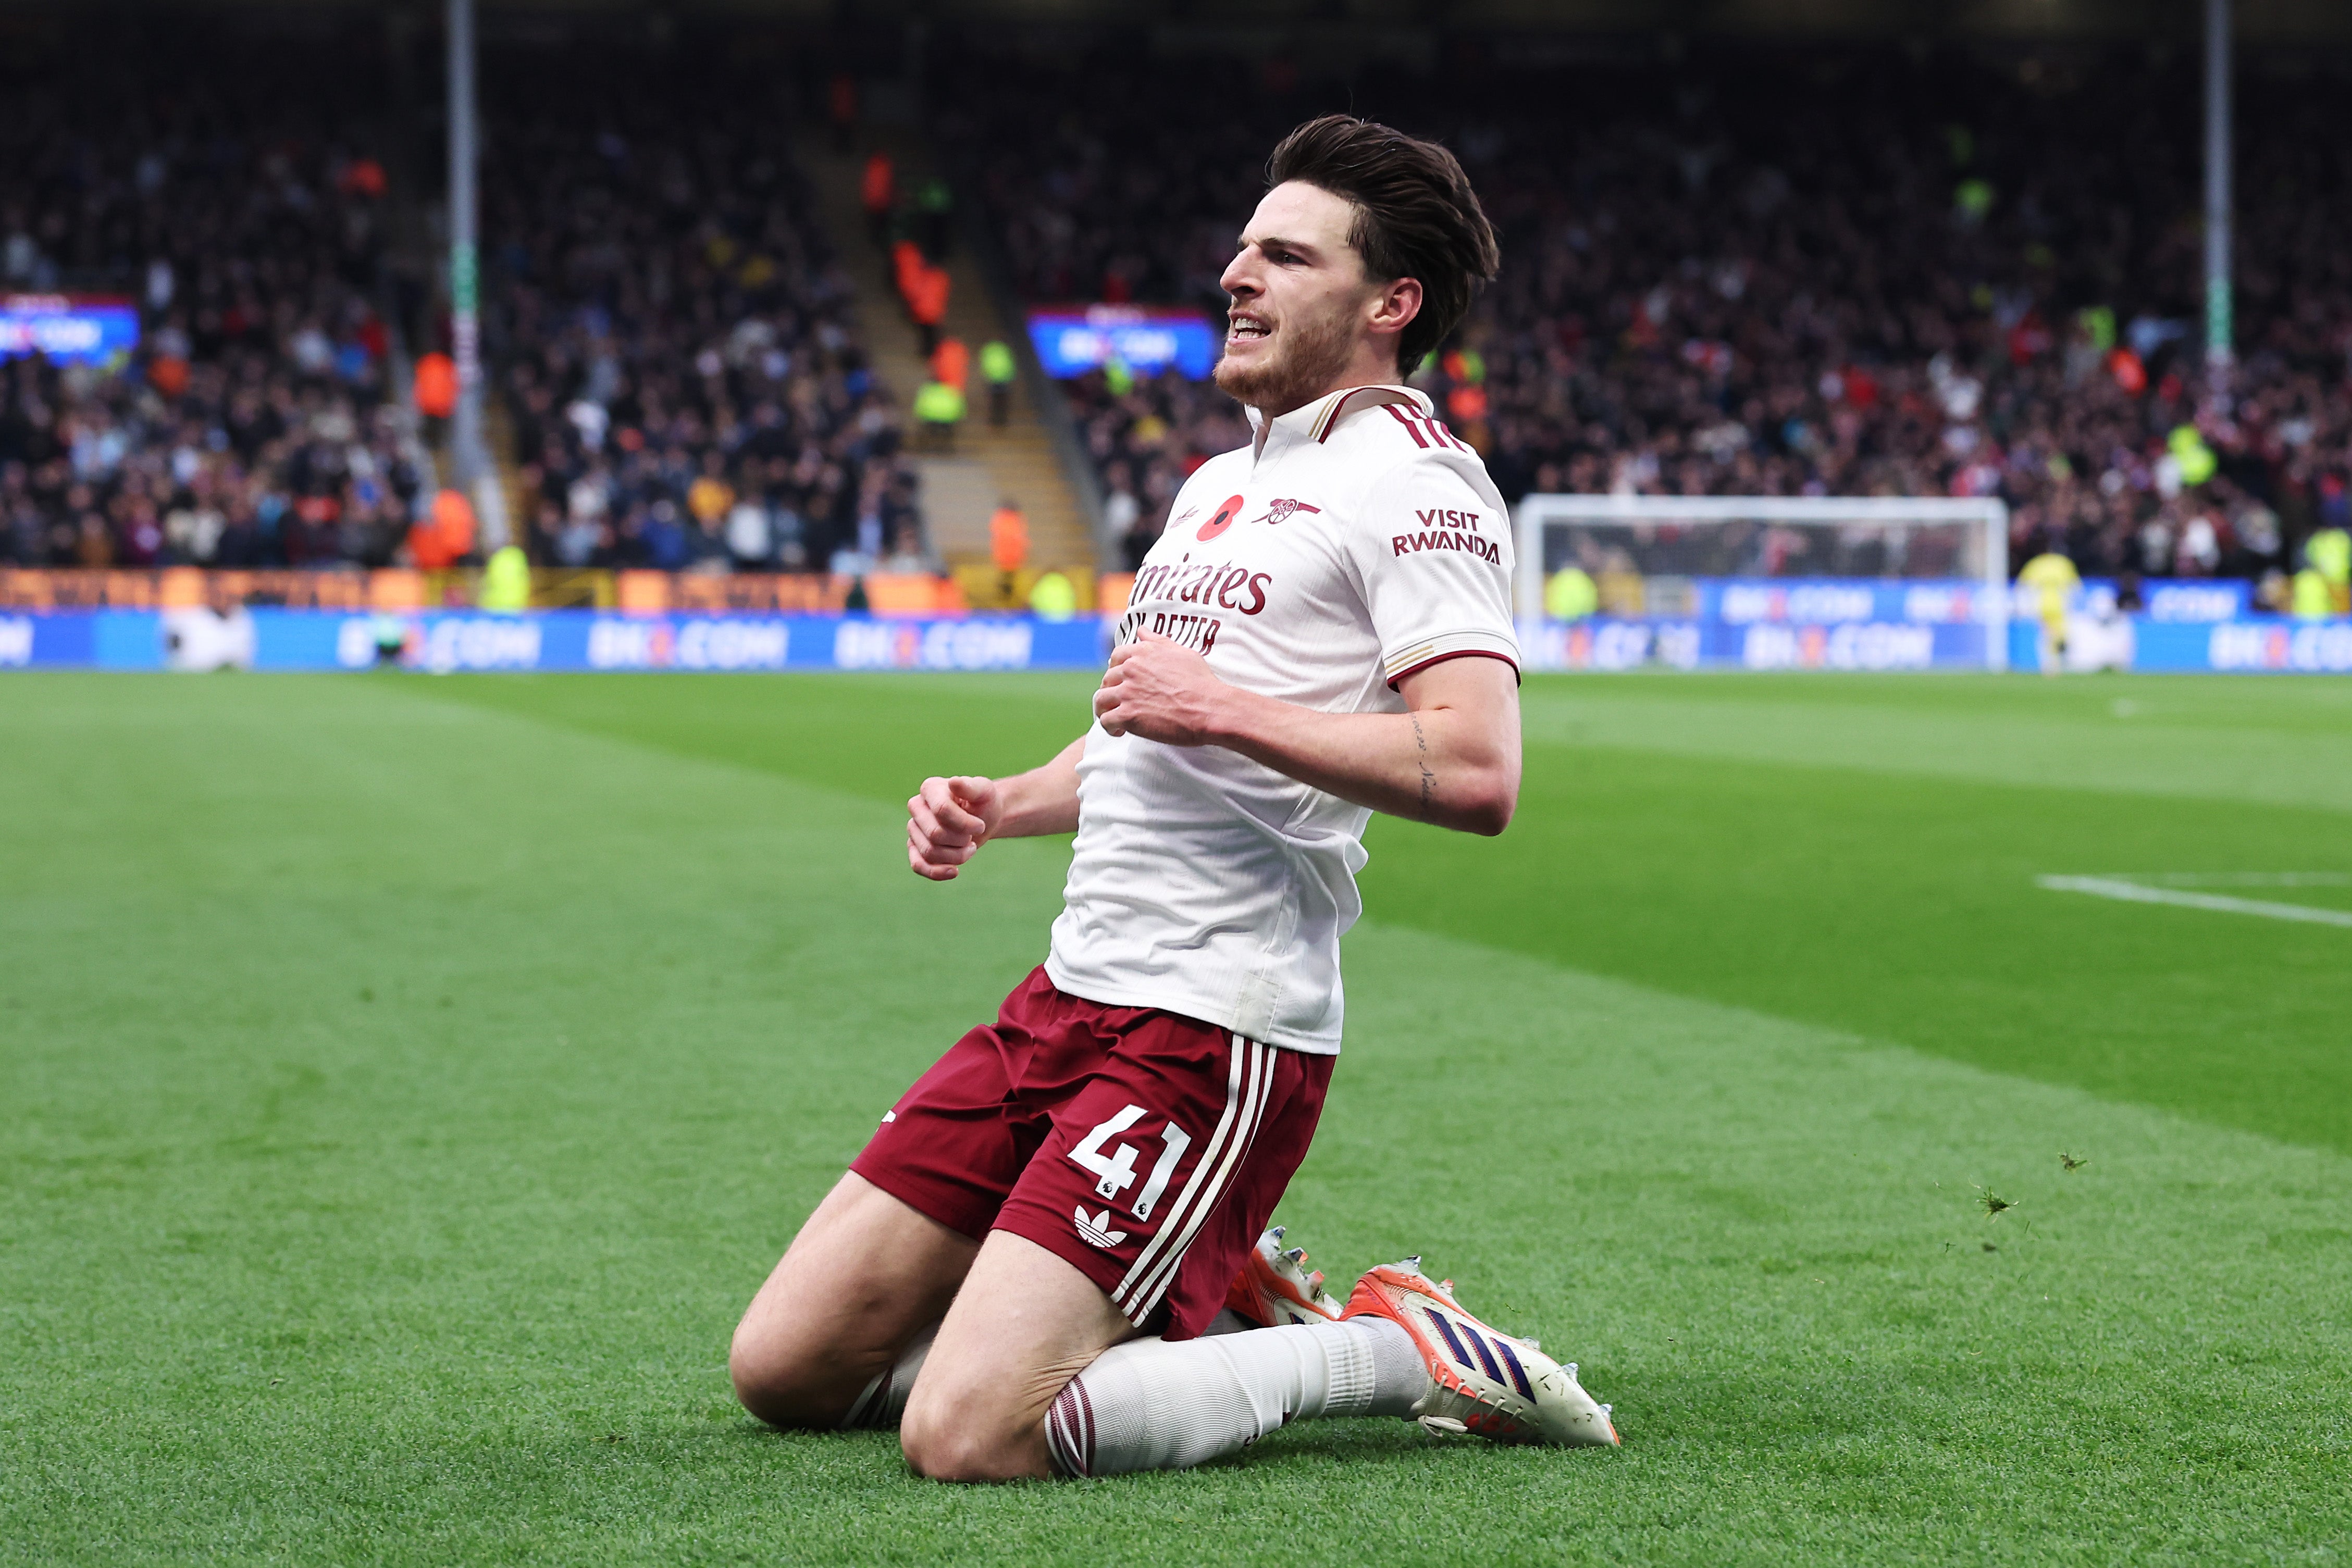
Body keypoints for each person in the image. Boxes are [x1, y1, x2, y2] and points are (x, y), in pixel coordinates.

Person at [727, 114, 1618, 1484]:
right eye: (1244, 247)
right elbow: (1142, 740)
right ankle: (1192, 1307)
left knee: (969, 1433)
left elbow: (1477, 768)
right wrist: (1002, 801)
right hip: (1064, 998)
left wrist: (1220, 707)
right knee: (787, 1368)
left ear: (1390, 303)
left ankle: (1389, 1348)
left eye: (1286, 256)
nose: (1235, 273)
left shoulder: (1419, 483)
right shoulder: (1219, 481)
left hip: (1209, 1025)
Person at [980, 339, 1017, 427]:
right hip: (1001, 379)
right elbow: (1010, 363)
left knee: (997, 401)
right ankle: (999, 419)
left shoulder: (989, 349)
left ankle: (998, 419)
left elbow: (985, 363)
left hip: (995, 379)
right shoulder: (1004, 349)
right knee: (1000, 401)